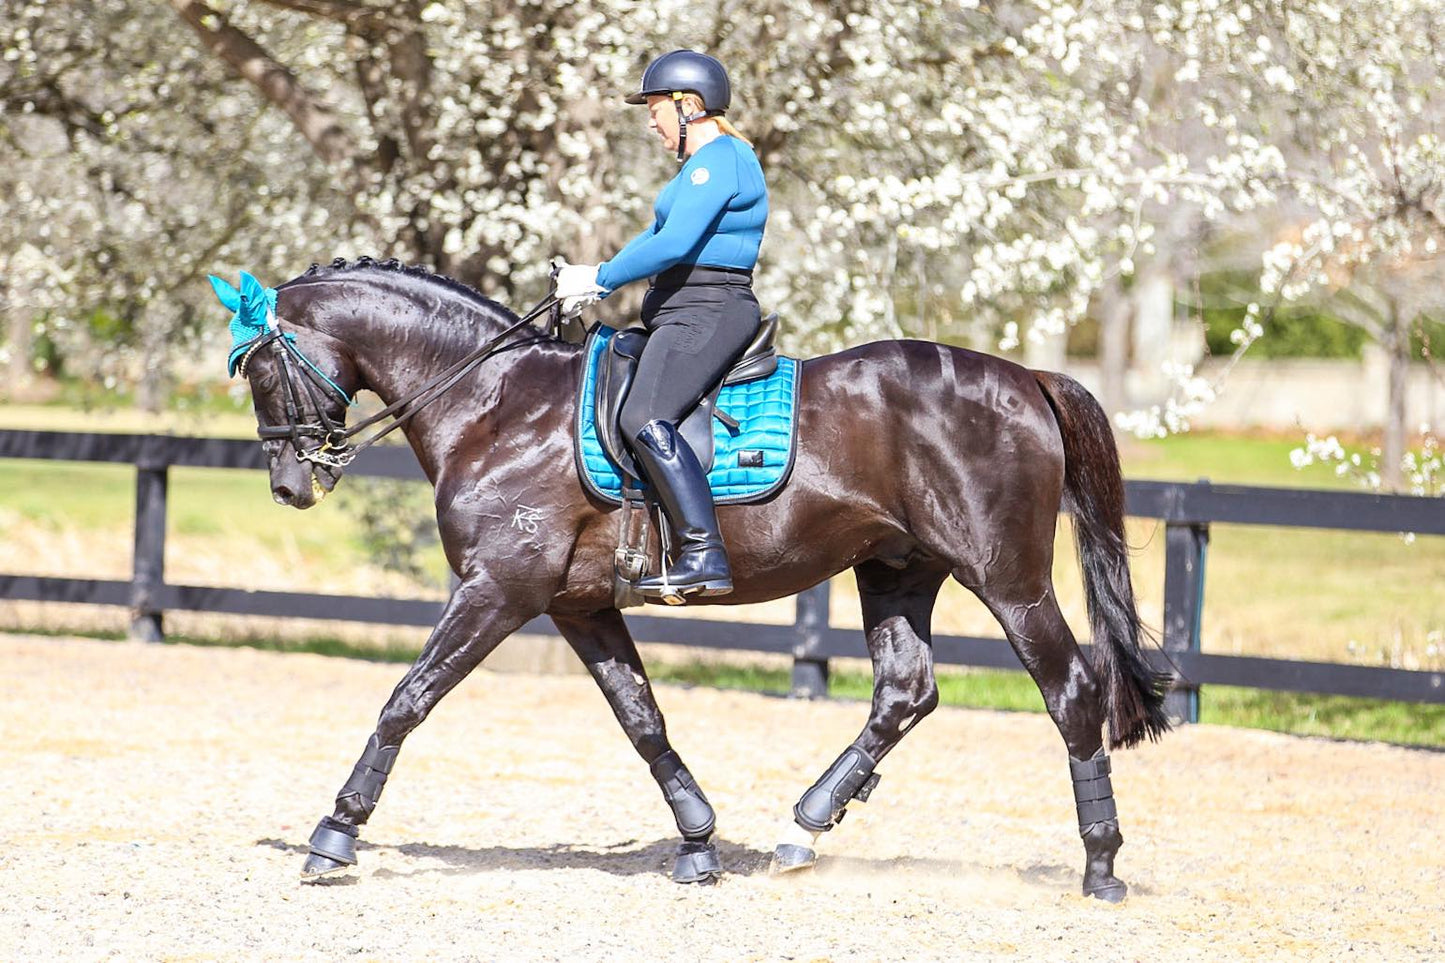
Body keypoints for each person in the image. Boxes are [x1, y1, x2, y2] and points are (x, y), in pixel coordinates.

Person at [554, 49, 768, 601]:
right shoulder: (695, 171)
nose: (650, 120)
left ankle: (703, 553)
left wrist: (600, 278)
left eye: (655, 108)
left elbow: (675, 245)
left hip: (709, 308)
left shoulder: (722, 158)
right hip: (681, 307)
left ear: (688, 106)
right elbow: (652, 239)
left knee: (646, 414)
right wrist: (588, 278)